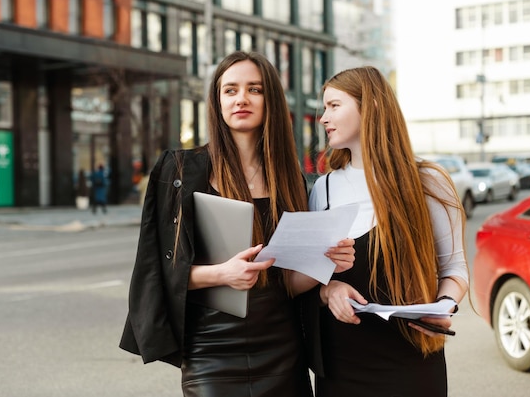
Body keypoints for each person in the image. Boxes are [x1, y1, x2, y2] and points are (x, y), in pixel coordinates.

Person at [119, 51, 355, 397]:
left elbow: (284, 281)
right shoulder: (181, 170)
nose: (241, 98)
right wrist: (221, 274)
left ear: (269, 99)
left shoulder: (290, 180)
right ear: (217, 101)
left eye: (254, 89)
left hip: (282, 348)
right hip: (211, 349)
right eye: (230, 90)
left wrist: (326, 264)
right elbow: (154, 273)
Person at [303, 66, 469, 397]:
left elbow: (455, 269)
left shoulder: (428, 182)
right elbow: (308, 277)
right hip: (341, 366)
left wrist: (445, 305)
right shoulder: (323, 189)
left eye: (335, 106)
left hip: (413, 361)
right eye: (325, 107)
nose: (323, 117)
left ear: (372, 107)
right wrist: (329, 290)